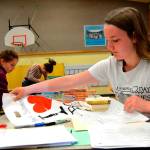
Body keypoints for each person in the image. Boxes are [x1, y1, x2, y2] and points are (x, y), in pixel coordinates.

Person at [11, 7, 150, 115]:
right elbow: (70, 81)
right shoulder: (111, 65)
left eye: (115, 40)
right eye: (107, 40)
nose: (109, 47)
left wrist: (146, 105)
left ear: (134, 36)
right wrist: (26, 89)